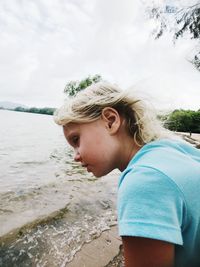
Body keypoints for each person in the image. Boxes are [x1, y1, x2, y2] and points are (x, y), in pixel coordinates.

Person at [54, 82, 200, 267]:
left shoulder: (144, 182)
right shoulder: (174, 149)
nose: (75, 156)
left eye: (76, 140)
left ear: (110, 120)